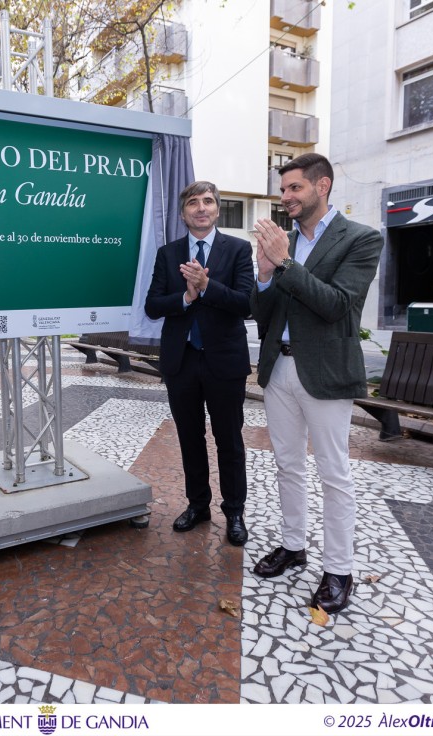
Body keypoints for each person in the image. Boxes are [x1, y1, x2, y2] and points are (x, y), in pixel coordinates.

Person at [249, 153, 382, 614]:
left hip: (325, 372)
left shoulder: (361, 240)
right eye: (283, 189)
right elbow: (265, 317)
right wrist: (265, 277)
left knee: (334, 473)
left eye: (294, 188)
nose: (285, 197)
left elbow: (337, 307)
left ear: (321, 186)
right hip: (279, 369)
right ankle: (293, 546)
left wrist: (284, 265)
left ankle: (339, 570)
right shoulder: (283, 242)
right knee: (287, 464)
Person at [144, 181, 254, 546]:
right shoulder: (168, 252)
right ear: (183, 213)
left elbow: (246, 304)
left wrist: (207, 286)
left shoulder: (238, 249)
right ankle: (197, 505)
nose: (201, 208)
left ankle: (235, 511)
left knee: (229, 440)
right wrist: (186, 297)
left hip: (224, 362)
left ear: (218, 209)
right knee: (190, 438)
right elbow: (153, 305)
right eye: (193, 203)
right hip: (182, 361)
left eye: (208, 201)